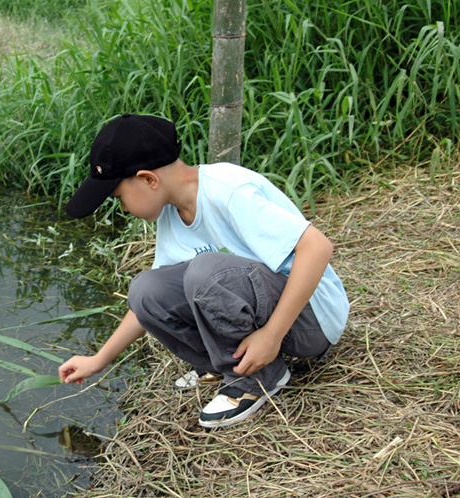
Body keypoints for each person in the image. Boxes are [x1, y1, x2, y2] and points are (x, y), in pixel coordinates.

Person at [59, 114, 349, 428]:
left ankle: (258, 379)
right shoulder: (171, 212)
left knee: (204, 271)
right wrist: (98, 360)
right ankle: (225, 365)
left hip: (311, 321)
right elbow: (152, 303)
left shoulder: (226, 190)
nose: (124, 209)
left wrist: (271, 335)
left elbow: (317, 248)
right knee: (145, 291)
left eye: (119, 199)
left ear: (148, 179)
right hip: (266, 307)